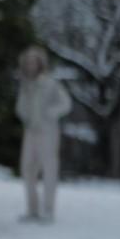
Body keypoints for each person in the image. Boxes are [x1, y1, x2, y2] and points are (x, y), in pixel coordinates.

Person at [14, 45, 71, 223]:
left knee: (49, 169)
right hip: (31, 132)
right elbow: (20, 109)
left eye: (34, 62)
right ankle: (33, 209)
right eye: (28, 62)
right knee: (28, 169)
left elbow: (65, 103)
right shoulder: (25, 85)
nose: (31, 65)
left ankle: (48, 210)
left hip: (48, 132)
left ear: (40, 63)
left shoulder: (50, 83)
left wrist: (50, 114)